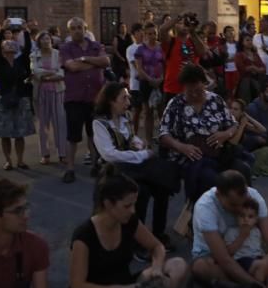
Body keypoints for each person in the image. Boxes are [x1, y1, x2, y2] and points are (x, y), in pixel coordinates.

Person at [68, 167, 187, 288]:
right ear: (108, 204)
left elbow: (157, 246)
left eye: (134, 204)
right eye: (127, 205)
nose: (133, 210)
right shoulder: (83, 235)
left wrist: (156, 267)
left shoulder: (129, 221)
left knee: (178, 265)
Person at [92, 82, 177, 247]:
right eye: (124, 98)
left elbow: (130, 138)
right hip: (113, 169)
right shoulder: (99, 123)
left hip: (132, 167)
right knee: (141, 192)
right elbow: (109, 154)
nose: (128, 102)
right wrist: (141, 155)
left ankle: (159, 232)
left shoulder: (125, 118)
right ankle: (136, 239)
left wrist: (139, 143)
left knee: (162, 186)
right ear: (111, 101)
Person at [158, 64, 246, 203]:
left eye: (197, 91)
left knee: (242, 170)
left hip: (218, 154)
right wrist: (181, 147)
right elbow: (163, 134)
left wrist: (225, 134)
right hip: (190, 157)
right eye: (189, 91)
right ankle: (205, 215)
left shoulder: (216, 100)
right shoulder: (176, 104)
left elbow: (233, 124)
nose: (193, 94)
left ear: (204, 84)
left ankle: (242, 211)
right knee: (210, 179)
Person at [59, 17, 109, 183]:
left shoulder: (96, 46)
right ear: (69, 31)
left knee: (93, 133)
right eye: (73, 28)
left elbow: (106, 61)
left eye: (79, 27)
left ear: (85, 29)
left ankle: (96, 165)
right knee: (73, 136)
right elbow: (71, 67)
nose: (77, 30)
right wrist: (94, 63)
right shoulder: (65, 48)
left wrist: (83, 59)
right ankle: (70, 168)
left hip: (95, 97)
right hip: (75, 97)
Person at [0, 39, 35, 171]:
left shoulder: (20, 61)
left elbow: (27, 49)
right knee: (5, 133)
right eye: (6, 44)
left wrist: (25, 31)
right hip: (5, 99)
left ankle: (20, 160)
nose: (10, 46)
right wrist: (3, 29)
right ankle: (8, 161)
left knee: (19, 133)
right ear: (3, 49)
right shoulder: (0, 62)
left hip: (20, 98)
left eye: (12, 44)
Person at [222, 197, 268, 285]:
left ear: (256, 219)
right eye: (242, 216)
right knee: (262, 265)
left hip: (257, 258)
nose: (246, 219)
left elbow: (259, 247)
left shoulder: (256, 231)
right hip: (242, 260)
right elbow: (229, 252)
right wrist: (242, 236)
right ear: (236, 217)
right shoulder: (232, 232)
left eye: (250, 217)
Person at [30, 31, 67, 166]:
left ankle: (62, 153)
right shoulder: (34, 55)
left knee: (60, 123)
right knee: (43, 125)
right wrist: (51, 73)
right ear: (39, 42)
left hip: (57, 91)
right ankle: (45, 154)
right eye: (43, 39)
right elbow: (35, 71)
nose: (46, 41)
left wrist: (50, 76)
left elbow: (62, 72)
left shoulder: (58, 54)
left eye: (48, 39)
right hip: (41, 92)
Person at [160, 13, 206, 100]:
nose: (184, 26)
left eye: (186, 23)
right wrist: (180, 17)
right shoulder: (171, 42)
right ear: (175, 26)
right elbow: (162, 30)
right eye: (181, 23)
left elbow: (202, 52)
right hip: (173, 90)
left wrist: (192, 32)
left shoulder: (194, 41)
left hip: (193, 90)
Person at [134, 22, 165, 141]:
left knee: (162, 111)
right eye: (150, 34)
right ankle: (148, 141)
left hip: (160, 81)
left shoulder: (162, 47)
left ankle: (164, 138)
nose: (153, 36)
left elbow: (165, 65)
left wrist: (161, 78)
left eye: (155, 33)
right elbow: (139, 68)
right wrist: (150, 80)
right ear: (145, 35)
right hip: (146, 82)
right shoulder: (140, 49)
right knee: (148, 112)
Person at [233, 31, 265, 102]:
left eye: (251, 40)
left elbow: (263, 67)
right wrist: (252, 68)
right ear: (242, 42)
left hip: (256, 83)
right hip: (244, 83)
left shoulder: (255, 55)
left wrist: (255, 69)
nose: (250, 42)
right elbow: (242, 69)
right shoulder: (239, 55)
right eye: (247, 40)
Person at [124, 23, 144, 137]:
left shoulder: (147, 47)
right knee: (137, 111)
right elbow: (136, 65)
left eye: (142, 31)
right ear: (134, 34)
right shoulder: (131, 49)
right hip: (136, 84)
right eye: (138, 31)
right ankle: (134, 135)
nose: (141, 33)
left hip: (147, 83)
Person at [222, 26, 239, 98]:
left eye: (232, 30)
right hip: (227, 70)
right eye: (228, 31)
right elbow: (223, 59)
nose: (231, 32)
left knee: (236, 89)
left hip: (237, 69)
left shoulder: (238, 44)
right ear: (225, 34)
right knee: (228, 90)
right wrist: (233, 58)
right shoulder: (223, 46)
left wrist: (232, 59)